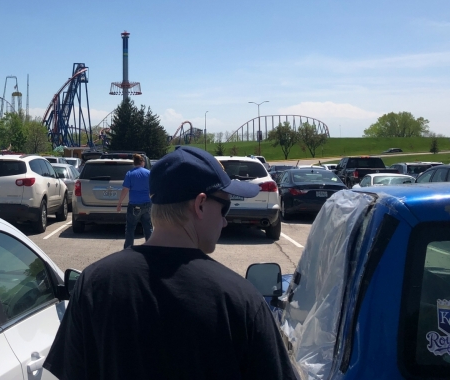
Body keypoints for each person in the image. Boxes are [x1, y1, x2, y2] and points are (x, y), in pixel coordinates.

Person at [44, 146, 298, 380]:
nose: (225, 222)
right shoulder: (239, 301)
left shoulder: (93, 284)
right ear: (200, 204)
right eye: (225, 208)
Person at [116, 153, 152, 249]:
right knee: (148, 228)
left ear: (134, 163)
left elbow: (125, 190)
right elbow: (153, 189)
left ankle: (128, 249)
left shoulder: (130, 174)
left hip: (134, 205)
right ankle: (151, 248)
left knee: (130, 229)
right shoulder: (149, 173)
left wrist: (119, 203)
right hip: (147, 204)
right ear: (142, 162)